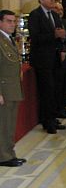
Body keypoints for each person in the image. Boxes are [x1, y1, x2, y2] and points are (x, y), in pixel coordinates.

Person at [28, 0, 66, 133]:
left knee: (55, 88)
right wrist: (54, 35)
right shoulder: (35, 15)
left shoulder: (55, 15)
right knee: (46, 91)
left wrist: (62, 42)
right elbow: (35, 37)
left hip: (55, 58)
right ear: (41, 0)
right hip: (42, 60)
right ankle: (47, 121)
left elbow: (59, 33)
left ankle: (53, 117)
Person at [0, 10, 25, 167]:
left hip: (12, 88)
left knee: (9, 124)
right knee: (3, 124)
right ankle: (4, 156)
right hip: (4, 90)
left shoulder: (8, 39)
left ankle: (10, 153)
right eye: (9, 21)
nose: (13, 24)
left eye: (14, 21)